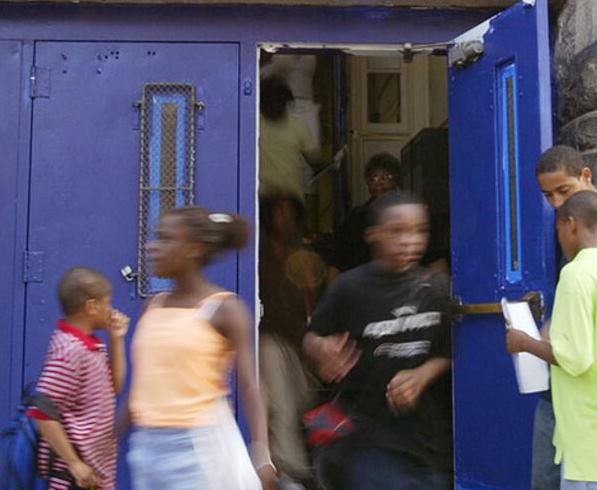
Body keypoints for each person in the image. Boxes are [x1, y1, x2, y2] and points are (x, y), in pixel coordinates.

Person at [303, 190, 453, 489]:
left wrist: (422, 375)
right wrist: (321, 349)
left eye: (419, 231)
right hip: (368, 437)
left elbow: (450, 351)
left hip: (426, 440)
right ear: (373, 235)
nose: (409, 240)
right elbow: (310, 337)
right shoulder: (350, 288)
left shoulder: (435, 288)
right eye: (396, 231)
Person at [126, 206, 278, 490]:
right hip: (146, 447)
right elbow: (143, 384)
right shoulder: (152, 306)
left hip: (197, 449)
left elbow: (249, 385)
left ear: (193, 249)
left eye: (165, 239)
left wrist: (262, 454)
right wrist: (111, 435)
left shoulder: (224, 309)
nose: (151, 247)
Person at [506, 191, 597, 490]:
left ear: (570, 225)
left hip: (593, 438)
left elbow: (576, 359)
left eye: (557, 230)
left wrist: (523, 342)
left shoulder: (576, 274)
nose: (559, 238)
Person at [28, 267, 129, 490]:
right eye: (108, 303)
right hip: (73, 478)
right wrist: (74, 463)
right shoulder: (70, 351)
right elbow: (41, 411)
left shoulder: (91, 346)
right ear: (91, 307)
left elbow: (116, 385)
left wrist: (116, 339)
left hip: (94, 475)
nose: (110, 309)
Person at [258, 196, 329, 487]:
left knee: (304, 398)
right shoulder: (260, 255)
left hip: (297, 339)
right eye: (278, 214)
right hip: (269, 338)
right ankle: (289, 470)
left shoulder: (300, 255)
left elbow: (311, 302)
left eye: (289, 215)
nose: (283, 221)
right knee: (282, 405)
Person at [259, 76, 321, 207]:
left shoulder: (254, 124)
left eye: (279, 102)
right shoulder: (297, 124)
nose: (275, 105)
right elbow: (315, 160)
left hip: (267, 200)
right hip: (288, 200)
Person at [334, 153, 401, 271]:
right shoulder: (355, 217)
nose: (378, 182)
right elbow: (337, 261)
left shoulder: (409, 215)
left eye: (386, 177)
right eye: (373, 178)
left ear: (396, 181)